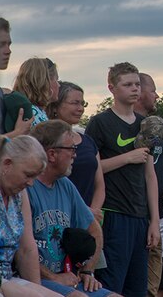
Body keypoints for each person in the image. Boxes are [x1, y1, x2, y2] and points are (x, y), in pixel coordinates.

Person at [84, 63, 159, 297]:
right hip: (113, 212)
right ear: (112, 88)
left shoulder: (143, 124)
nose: (134, 89)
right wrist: (127, 158)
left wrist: (154, 219)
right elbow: (92, 169)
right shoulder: (100, 123)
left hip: (140, 215)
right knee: (112, 284)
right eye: (127, 84)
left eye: (137, 84)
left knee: (138, 288)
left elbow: (150, 175)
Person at [26, 120, 115, 297]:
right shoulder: (27, 187)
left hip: (68, 277)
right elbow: (21, 248)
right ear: (51, 154)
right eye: (71, 149)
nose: (75, 155)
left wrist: (87, 271)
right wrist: (53, 277)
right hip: (36, 279)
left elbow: (94, 230)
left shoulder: (65, 185)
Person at [0, 134, 63, 297]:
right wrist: (2, 288)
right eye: (28, 175)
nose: (31, 183)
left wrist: (36, 288)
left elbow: (27, 248)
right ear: (7, 164)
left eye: (34, 177)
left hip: (9, 276)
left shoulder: (20, 193)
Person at [49, 83, 105, 223]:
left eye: (82, 104)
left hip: (88, 219)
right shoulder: (47, 141)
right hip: (58, 217)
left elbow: (99, 185)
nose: (80, 109)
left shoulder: (88, 141)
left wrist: (92, 213)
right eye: (75, 103)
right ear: (56, 105)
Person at [132, 76, 163, 297]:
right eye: (153, 90)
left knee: (153, 286)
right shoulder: (128, 128)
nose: (157, 95)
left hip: (158, 216)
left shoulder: (159, 130)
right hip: (132, 212)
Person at [10, 58, 59, 129]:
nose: (59, 85)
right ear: (44, 82)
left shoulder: (35, 110)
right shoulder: (32, 114)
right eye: (56, 80)